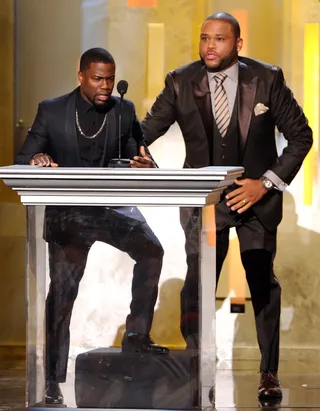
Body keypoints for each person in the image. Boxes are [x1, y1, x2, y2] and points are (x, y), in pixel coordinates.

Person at [141, 12, 313, 402]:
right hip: (205, 204)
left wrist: (264, 183)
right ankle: (196, 365)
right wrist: (135, 152)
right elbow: (144, 131)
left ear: (237, 44)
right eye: (204, 38)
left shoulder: (267, 78)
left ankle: (268, 373)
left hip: (256, 200)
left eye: (219, 39)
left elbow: (301, 135)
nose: (209, 46)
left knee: (262, 283)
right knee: (197, 287)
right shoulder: (180, 81)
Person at [15, 47, 168, 405]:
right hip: (69, 215)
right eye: (98, 79)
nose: (106, 86)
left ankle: (136, 335)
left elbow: (140, 155)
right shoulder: (52, 110)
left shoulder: (123, 110)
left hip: (112, 210)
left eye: (111, 79)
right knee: (63, 295)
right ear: (81, 75)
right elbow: (24, 157)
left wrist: (145, 166)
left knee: (152, 250)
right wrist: (38, 158)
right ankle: (53, 378)